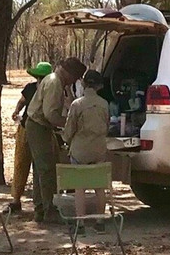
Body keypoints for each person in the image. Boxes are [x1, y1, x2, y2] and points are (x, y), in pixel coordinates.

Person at [25, 57, 85, 223]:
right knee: (46, 169)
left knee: (40, 168)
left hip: (40, 126)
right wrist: (68, 124)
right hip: (38, 126)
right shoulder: (54, 83)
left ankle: (41, 208)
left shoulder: (54, 81)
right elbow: (50, 114)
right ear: (70, 74)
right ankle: (47, 209)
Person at [60, 68, 111, 215]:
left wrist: (66, 140)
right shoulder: (104, 104)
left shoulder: (77, 104)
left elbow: (69, 130)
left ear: (83, 83)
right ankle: (100, 220)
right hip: (99, 149)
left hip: (80, 151)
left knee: (80, 187)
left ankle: (80, 222)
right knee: (99, 187)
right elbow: (106, 126)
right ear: (99, 86)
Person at [8, 61, 52, 213]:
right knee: (21, 163)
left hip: (43, 130)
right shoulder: (30, 88)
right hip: (26, 128)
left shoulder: (51, 91)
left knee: (40, 167)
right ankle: (16, 199)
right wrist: (16, 111)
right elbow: (22, 101)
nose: (40, 80)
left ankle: (40, 203)